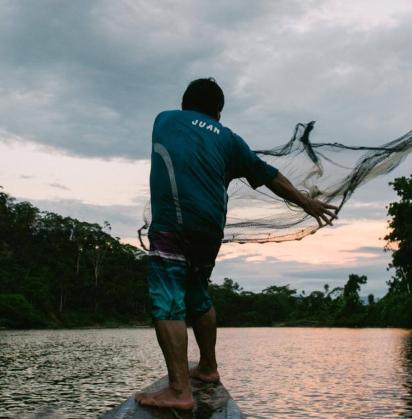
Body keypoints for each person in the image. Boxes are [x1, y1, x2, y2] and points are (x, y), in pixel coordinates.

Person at [135, 78, 337, 410]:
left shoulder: (165, 119)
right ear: (219, 112)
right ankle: (209, 368)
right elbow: (271, 176)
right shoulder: (230, 140)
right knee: (197, 292)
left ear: (185, 103)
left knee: (167, 298)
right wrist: (307, 203)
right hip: (210, 229)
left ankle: (179, 390)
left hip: (174, 223)